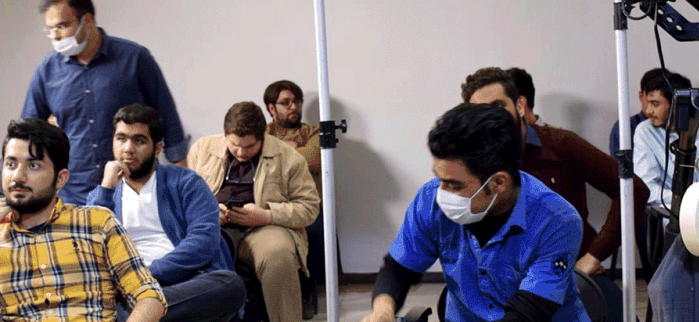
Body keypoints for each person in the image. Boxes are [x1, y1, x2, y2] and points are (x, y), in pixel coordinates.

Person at [361, 103, 589, 322]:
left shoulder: (557, 220)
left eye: (455, 185)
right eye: (440, 178)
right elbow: (398, 269)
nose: (441, 193)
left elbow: (528, 314)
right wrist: (383, 311)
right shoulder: (430, 199)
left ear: (498, 183)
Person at [463, 67, 648, 322]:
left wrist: (593, 256)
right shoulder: (474, 163)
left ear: (520, 106)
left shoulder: (561, 144)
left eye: (498, 107)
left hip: (574, 274)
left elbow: (634, 189)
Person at [0, 119, 166, 322]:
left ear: (60, 179)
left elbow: (149, 296)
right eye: (11, 164)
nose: (18, 176)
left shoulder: (98, 223)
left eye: (33, 165)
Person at [0, 0, 186, 208]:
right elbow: (26, 133)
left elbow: (166, 114)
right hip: (75, 192)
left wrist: (181, 180)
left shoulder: (134, 58)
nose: (55, 36)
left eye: (62, 26)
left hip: (133, 188)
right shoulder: (47, 70)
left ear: (87, 20)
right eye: (50, 29)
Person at [86, 104, 245, 322]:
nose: (128, 149)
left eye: (139, 141)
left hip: (184, 283)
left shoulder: (186, 182)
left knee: (230, 285)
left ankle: (135, 315)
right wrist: (105, 188)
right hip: (131, 290)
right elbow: (90, 250)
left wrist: (145, 275)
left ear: (157, 148)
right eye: (121, 139)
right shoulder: (103, 194)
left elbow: (204, 241)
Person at [185, 102, 319, 322]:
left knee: (278, 257)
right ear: (225, 135)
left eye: (249, 147)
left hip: (265, 228)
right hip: (213, 228)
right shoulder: (202, 149)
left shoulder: (289, 157)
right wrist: (208, 212)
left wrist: (267, 215)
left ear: (262, 137)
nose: (240, 152)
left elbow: (310, 207)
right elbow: (184, 199)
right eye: (234, 145)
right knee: (190, 256)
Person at [263, 80, 326, 317]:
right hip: (272, 203)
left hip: (307, 203)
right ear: (271, 108)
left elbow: (314, 158)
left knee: (312, 229)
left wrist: (279, 150)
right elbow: (258, 158)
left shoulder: (314, 132)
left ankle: (308, 294)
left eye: (297, 101)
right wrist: (291, 147)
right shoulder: (262, 133)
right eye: (286, 102)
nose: (294, 107)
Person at [631, 70, 699, 210]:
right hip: (677, 211)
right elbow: (647, 188)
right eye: (648, 103)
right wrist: (693, 201)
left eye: (655, 104)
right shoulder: (646, 132)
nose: (648, 111)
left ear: (676, 104)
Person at [608, 68, 665, 157]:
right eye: (651, 100)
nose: (653, 108)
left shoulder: (675, 127)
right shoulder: (625, 127)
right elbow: (619, 163)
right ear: (641, 96)